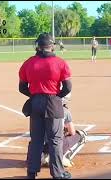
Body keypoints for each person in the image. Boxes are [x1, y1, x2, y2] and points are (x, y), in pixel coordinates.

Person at [19, 32, 72, 179]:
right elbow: (68, 87)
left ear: (38, 46)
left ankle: (31, 173)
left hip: (35, 103)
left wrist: (35, 95)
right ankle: (58, 173)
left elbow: (22, 88)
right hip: (53, 103)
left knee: (36, 140)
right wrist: (56, 97)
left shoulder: (28, 63)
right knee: (55, 140)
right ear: (52, 46)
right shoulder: (60, 62)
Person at [40, 95, 88, 168]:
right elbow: (72, 132)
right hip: (56, 145)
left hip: (39, 147)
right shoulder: (65, 111)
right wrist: (66, 132)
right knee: (82, 135)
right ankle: (62, 158)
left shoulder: (41, 107)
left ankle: (43, 156)